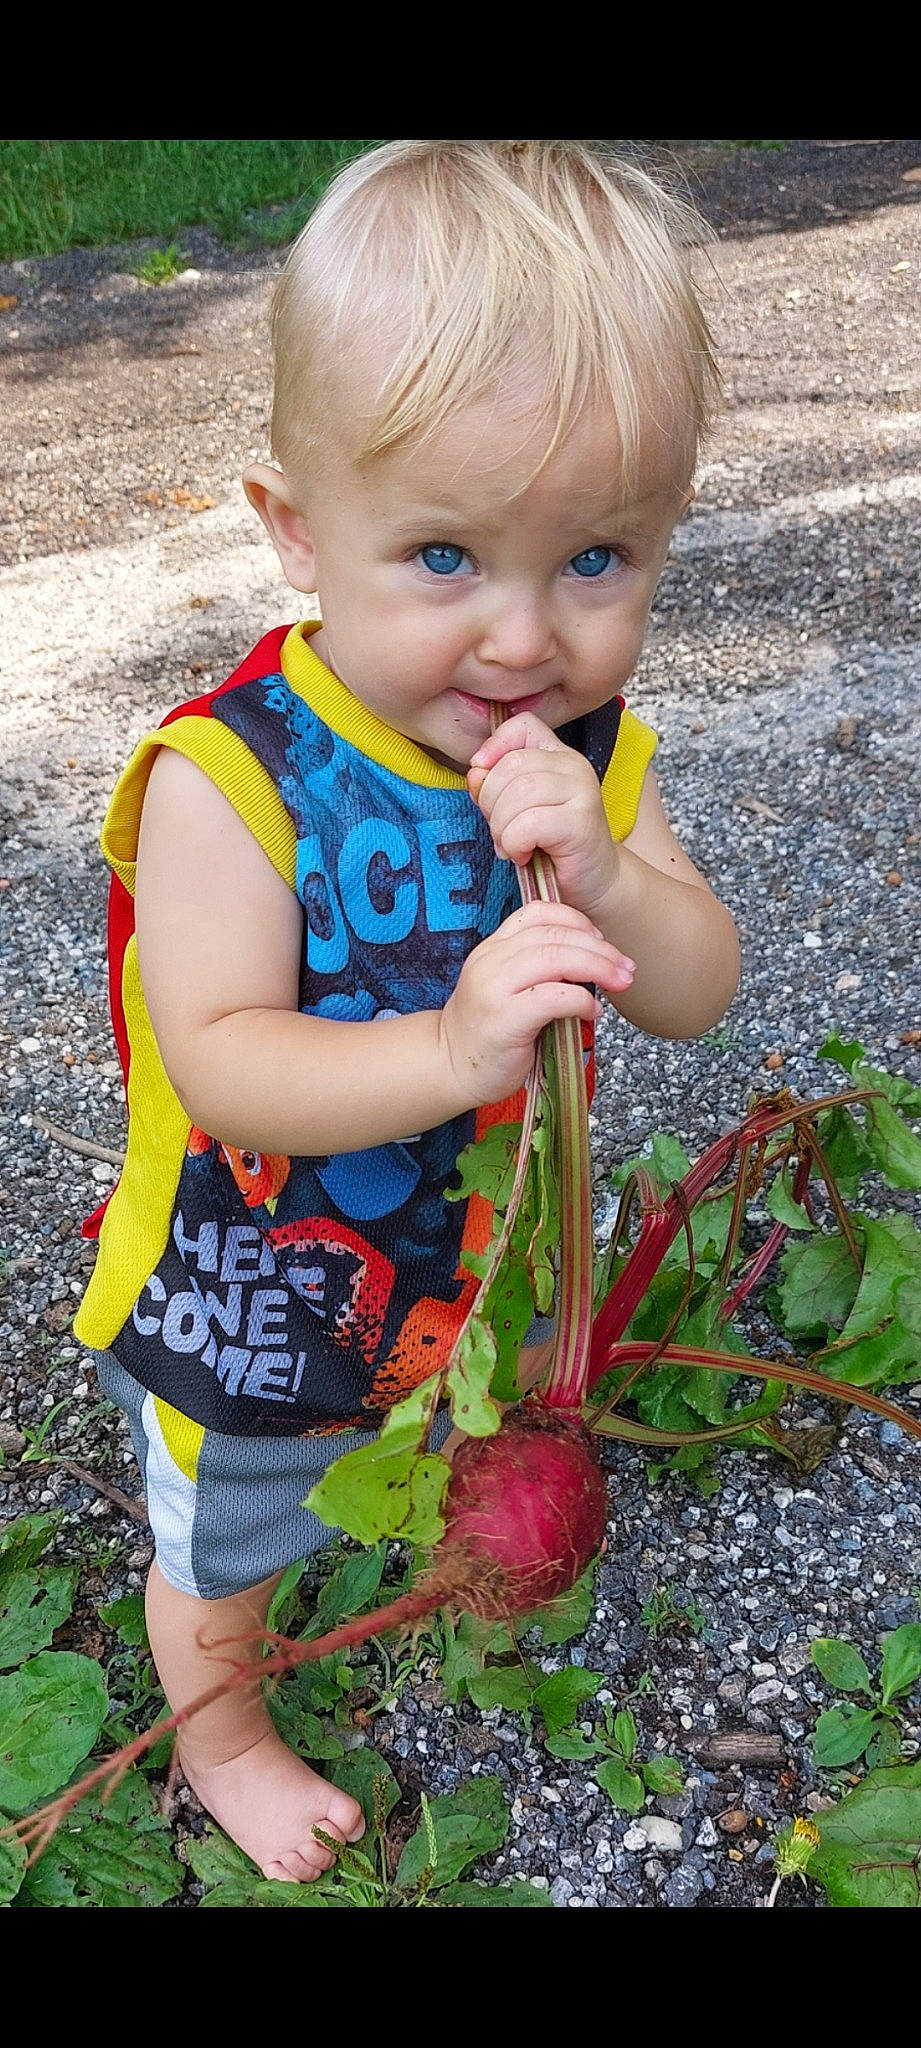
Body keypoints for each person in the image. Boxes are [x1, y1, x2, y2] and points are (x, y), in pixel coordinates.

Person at [74, 139, 741, 1883]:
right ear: (297, 529)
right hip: (267, 1280)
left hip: (481, 1264)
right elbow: (220, 1060)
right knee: (233, 1537)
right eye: (443, 553)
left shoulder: (590, 760)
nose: (525, 638)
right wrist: (449, 1050)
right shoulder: (242, 777)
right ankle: (220, 1728)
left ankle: (427, 1521)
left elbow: (696, 985)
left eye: (595, 556)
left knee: (445, 1438)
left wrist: (607, 882)